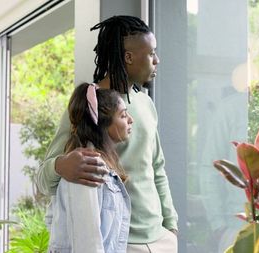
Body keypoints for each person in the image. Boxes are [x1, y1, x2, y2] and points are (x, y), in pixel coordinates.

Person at [37, 15, 178, 252]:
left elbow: (157, 168)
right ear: (129, 57)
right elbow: (43, 178)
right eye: (151, 53)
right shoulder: (88, 106)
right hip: (118, 242)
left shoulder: (145, 103)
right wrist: (61, 166)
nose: (157, 60)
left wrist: (171, 225)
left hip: (160, 238)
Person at [48, 83, 133, 252]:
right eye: (123, 115)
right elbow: (87, 243)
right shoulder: (86, 167)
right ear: (103, 123)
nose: (131, 119)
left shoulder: (102, 165)